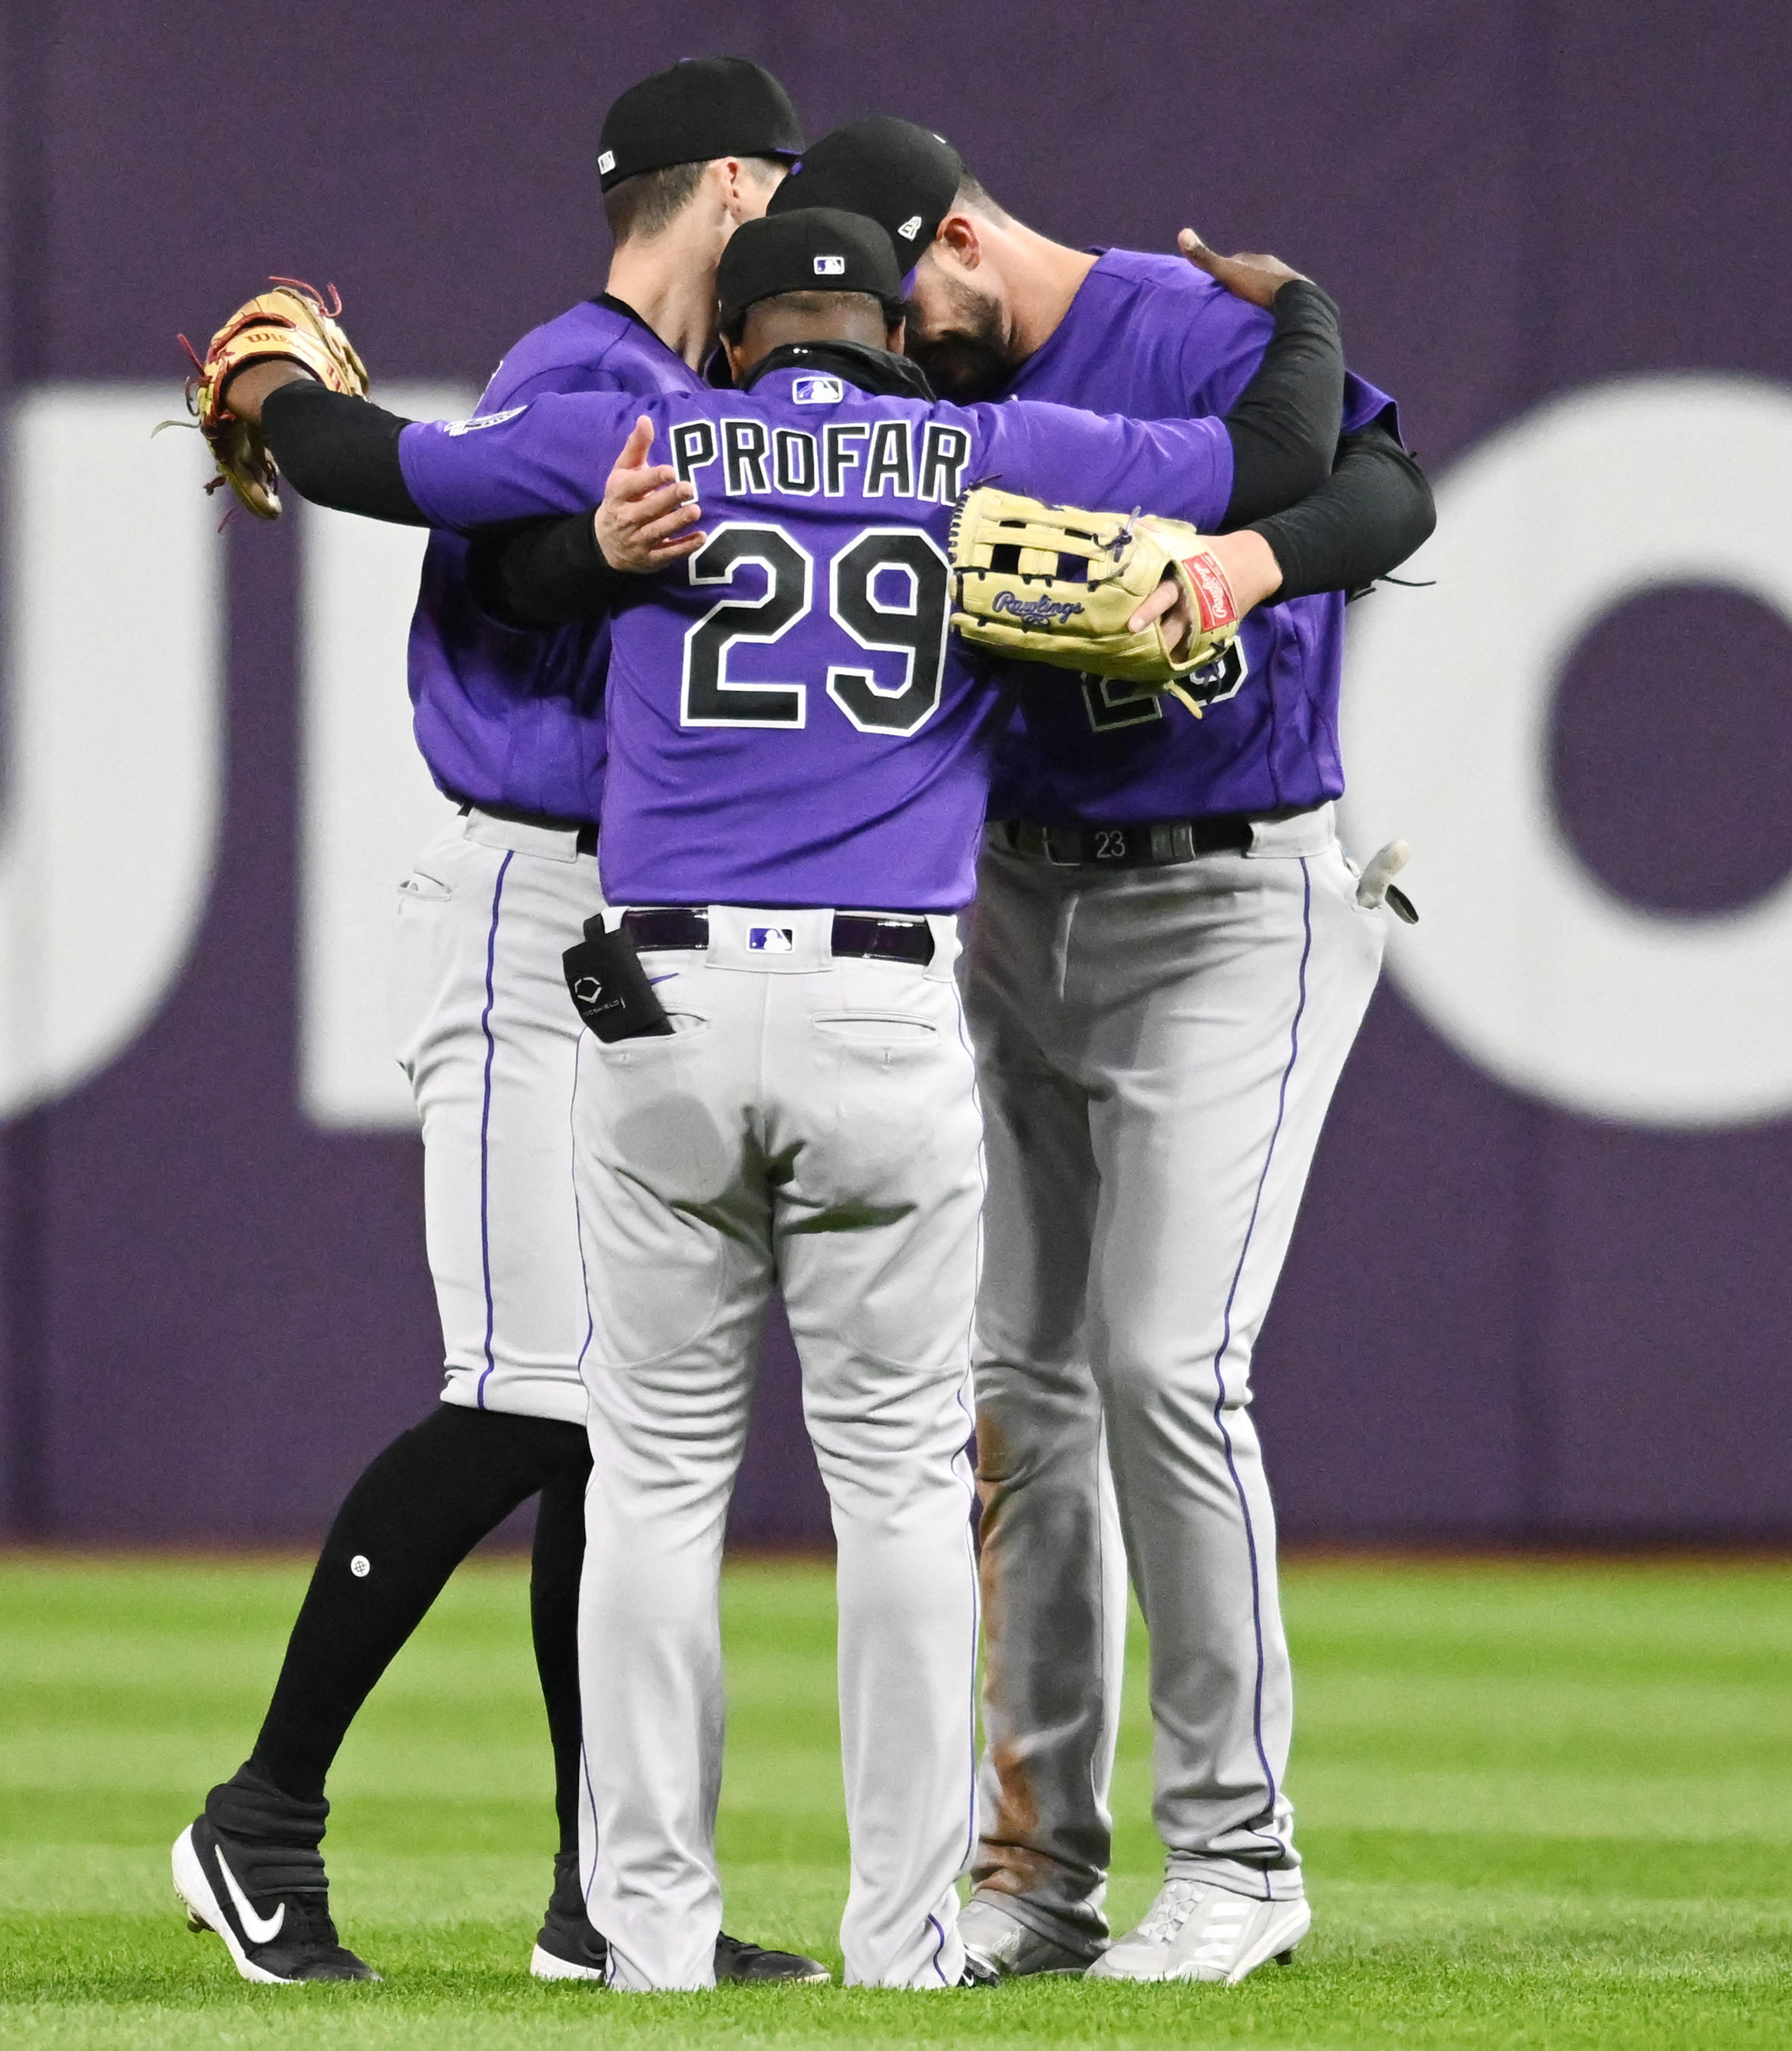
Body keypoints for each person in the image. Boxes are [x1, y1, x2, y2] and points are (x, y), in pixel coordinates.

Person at [207, 203, 1351, 1988]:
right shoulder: (981, 451)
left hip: (653, 998)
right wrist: (1294, 312)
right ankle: (904, 1938)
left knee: (655, 1480)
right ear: (888, 332)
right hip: (883, 1009)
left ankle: (647, 1932)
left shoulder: (642, 431)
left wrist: (275, 386)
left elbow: (387, 467)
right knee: (898, 1486)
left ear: (730, 340)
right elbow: (1282, 458)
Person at [168, 56, 826, 1989]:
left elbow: (537, 561)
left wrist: (585, 559)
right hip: (514, 908)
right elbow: (423, 479)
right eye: (775, 186)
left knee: (620, 1433)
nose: (787, 220)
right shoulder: (592, 372)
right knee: (530, 1389)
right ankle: (260, 1813)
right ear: (727, 185)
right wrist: (294, 409)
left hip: (612, 925)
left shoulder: (690, 408)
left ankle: (606, 1896)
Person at [769, 117, 1436, 1985]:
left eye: (906, 310)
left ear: (965, 240)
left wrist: (1241, 567)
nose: (892, 352)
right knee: (1019, 1398)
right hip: (1005, 900)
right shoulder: (891, 392)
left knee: (1163, 1364)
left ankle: (1238, 1858)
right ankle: (1036, 1876)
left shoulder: (1178, 331)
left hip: (1230, 904)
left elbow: (1390, 500)